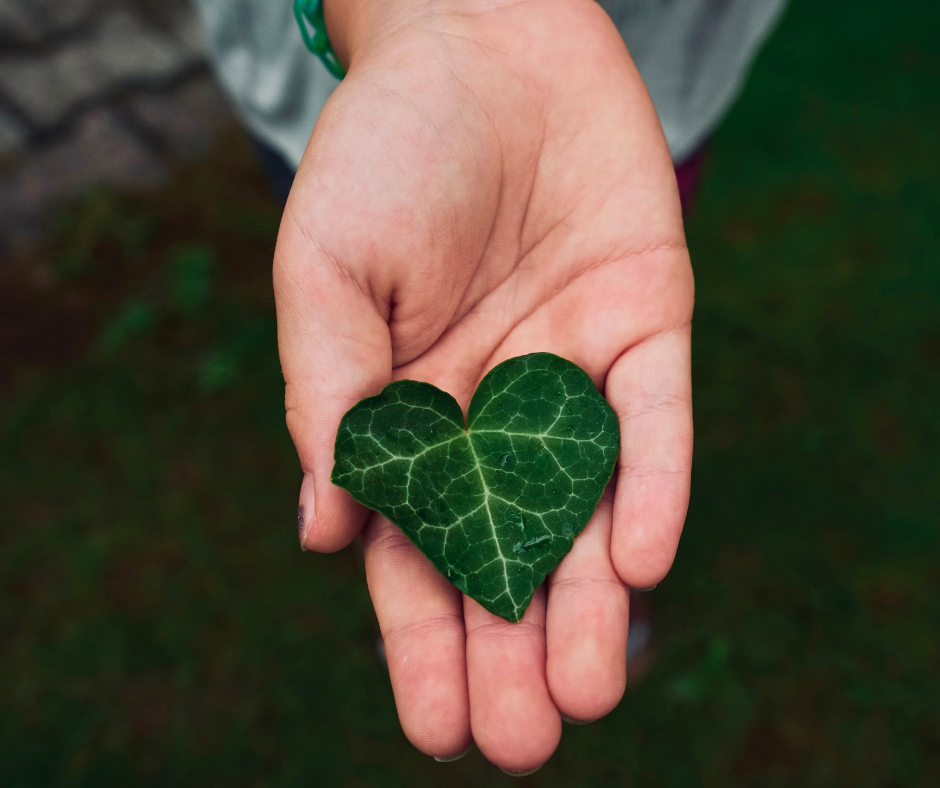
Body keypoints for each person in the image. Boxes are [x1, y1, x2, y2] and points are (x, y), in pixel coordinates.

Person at [192, 0, 787, 775]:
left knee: (631, 246)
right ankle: (481, 561)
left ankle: (544, 562)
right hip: (355, 95)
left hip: (641, 91)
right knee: (366, 304)